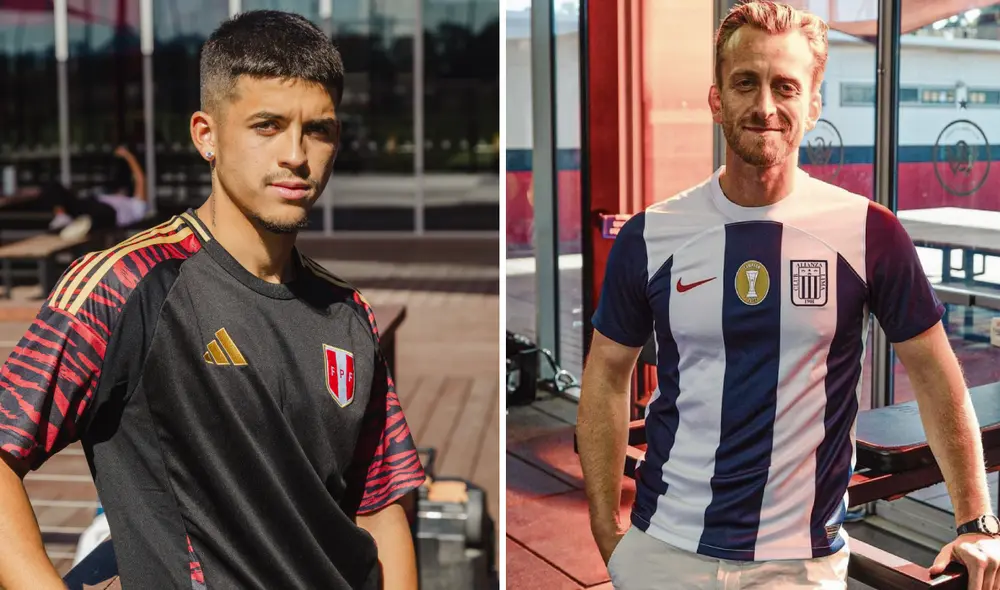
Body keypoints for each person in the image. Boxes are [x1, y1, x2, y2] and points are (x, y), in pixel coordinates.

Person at [576, 2, 1000, 589]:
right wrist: (606, 528)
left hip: (800, 564)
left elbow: (935, 375)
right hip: (663, 550)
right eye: (745, 82)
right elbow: (605, 376)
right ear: (716, 99)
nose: (765, 106)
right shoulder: (651, 235)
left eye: (786, 86)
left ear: (813, 105)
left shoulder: (870, 233)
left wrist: (975, 520)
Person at [0, 10, 424, 590]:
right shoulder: (129, 283)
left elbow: (379, 505)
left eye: (317, 130)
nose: (296, 155)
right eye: (267, 125)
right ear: (207, 136)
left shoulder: (349, 313)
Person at [44, 145, 151, 240]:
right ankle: (62, 216)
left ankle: (79, 224)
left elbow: (140, 179)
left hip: (110, 214)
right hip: (91, 205)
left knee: (97, 214)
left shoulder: (138, 207)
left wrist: (128, 156)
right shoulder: (111, 196)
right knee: (55, 187)